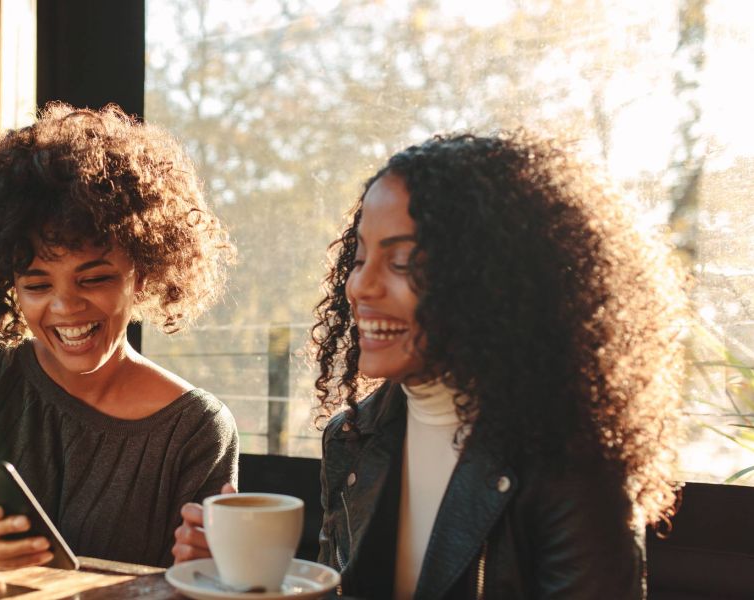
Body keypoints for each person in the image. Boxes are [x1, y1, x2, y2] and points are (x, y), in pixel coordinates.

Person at [174, 131, 685, 599]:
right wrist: (241, 580)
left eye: (402, 263)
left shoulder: (571, 464)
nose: (360, 286)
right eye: (358, 259)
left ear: (494, 281)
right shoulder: (352, 440)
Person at [0, 102, 239, 570]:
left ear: (141, 273)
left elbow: (202, 575)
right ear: (9, 285)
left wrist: (212, 567)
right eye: (37, 285)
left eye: (94, 278)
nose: (65, 307)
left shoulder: (196, 428)